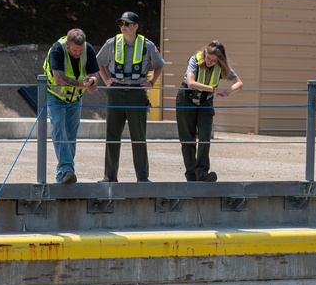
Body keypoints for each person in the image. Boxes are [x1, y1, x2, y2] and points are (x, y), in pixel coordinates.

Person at [96, 11, 165, 183]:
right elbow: (99, 62)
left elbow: (159, 65)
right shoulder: (111, 43)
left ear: (136, 26)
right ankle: (110, 176)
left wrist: (151, 82)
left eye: (127, 24)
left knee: (138, 136)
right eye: (121, 24)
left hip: (136, 93)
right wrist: (106, 80)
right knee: (112, 136)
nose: (123, 27)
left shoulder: (147, 45)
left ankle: (142, 177)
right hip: (116, 93)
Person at [176, 41, 244, 182]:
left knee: (205, 134)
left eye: (214, 60)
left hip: (206, 102)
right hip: (187, 99)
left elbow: (239, 83)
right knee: (187, 138)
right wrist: (214, 89)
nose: (210, 62)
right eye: (208, 58)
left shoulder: (222, 66)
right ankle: (191, 174)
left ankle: (202, 172)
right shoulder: (195, 60)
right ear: (205, 54)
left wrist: (228, 91)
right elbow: (191, 82)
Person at [43, 29, 100, 184]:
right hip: (56, 97)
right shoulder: (57, 49)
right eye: (75, 50)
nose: (78, 53)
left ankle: (61, 177)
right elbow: (59, 79)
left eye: (80, 50)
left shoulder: (88, 50)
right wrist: (82, 84)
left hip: (75, 99)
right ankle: (68, 169)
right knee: (59, 127)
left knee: (70, 135)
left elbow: (95, 78)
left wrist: (92, 81)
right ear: (67, 44)